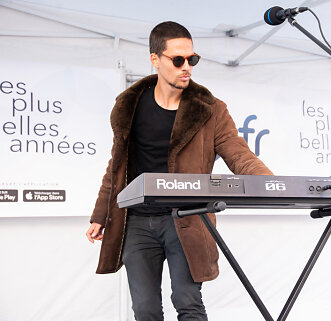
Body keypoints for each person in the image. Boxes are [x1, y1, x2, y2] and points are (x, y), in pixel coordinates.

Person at [85, 21, 272, 321]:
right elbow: (116, 166)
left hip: (185, 219)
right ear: (155, 60)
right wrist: (100, 214)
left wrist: (267, 183)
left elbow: (238, 152)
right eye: (178, 60)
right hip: (137, 222)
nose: (187, 67)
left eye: (192, 59)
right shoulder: (130, 106)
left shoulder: (210, 109)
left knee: (187, 302)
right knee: (144, 309)